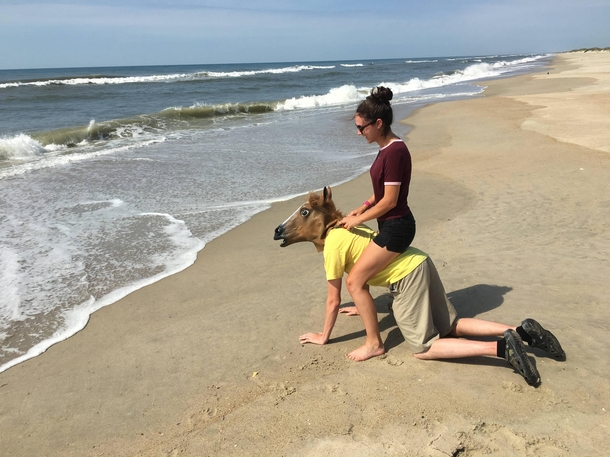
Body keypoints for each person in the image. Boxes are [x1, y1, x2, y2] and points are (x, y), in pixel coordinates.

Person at [299, 223, 566, 387]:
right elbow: (363, 272)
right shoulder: (349, 230)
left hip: (405, 276)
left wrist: (324, 337)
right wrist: (362, 304)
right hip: (420, 261)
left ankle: (503, 347)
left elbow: (334, 299)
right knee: (449, 326)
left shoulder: (331, 247)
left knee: (424, 347)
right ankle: (521, 331)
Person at [338, 86, 416, 361]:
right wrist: (362, 207)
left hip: (398, 227)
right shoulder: (386, 149)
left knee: (354, 281)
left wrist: (358, 220)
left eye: (362, 127)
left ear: (378, 123)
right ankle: (364, 305)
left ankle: (374, 343)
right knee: (361, 269)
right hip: (390, 224)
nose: (359, 133)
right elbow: (379, 194)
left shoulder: (394, 152)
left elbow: (391, 201)